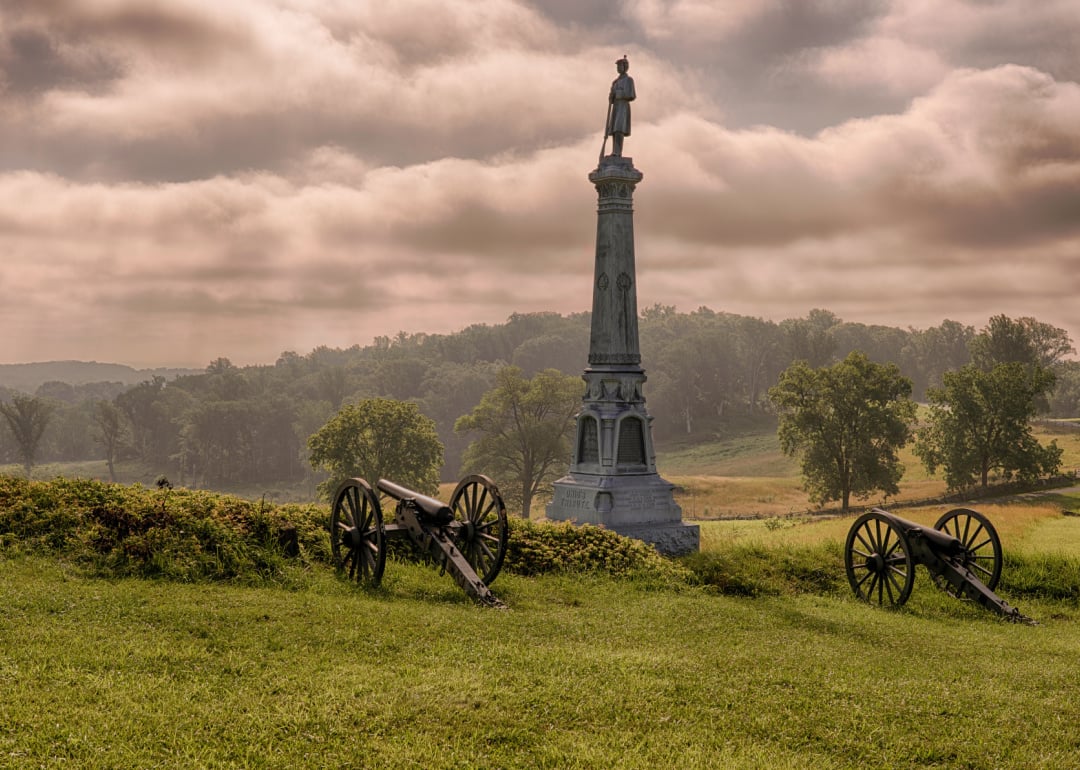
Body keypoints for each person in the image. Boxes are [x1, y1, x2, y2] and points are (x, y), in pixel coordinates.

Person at [606, 56, 635, 157]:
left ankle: (618, 152)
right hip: (616, 106)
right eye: (617, 66)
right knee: (614, 130)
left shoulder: (629, 80)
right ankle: (615, 150)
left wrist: (618, 93)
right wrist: (611, 96)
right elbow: (611, 99)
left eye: (620, 65)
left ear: (625, 66)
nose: (618, 68)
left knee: (619, 129)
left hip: (623, 106)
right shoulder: (615, 82)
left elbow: (631, 95)